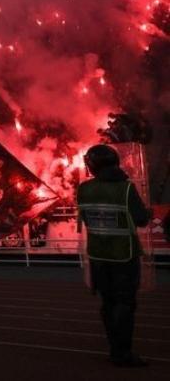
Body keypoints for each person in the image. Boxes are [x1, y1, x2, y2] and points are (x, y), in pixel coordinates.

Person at [77, 144, 151, 368]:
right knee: (125, 304)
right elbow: (141, 219)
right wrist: (147, 212)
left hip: (98, 257)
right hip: (124, 256)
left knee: (107, 303)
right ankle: (123, 352)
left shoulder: (84, 189)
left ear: (92, 165)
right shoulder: (126, 189)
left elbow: (87, 220)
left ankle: (114, 349)